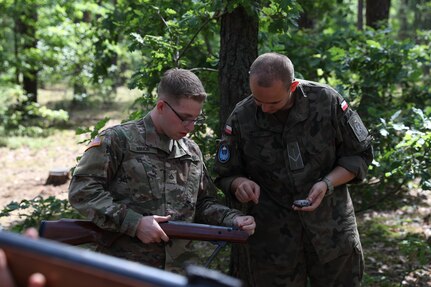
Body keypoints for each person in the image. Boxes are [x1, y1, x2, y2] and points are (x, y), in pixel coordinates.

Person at [68, 68, 256, 272]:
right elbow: (82, 191)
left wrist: (232, 219)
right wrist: (135, 223)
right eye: (185, 118)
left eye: (195, 119)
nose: (190, 126)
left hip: (177, 270)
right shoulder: (118, 141)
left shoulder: (191, 151)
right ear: (161, 106)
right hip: (125, 269)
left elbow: (202, 203)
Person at [214, 52, 373, 286]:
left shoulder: (326, 102)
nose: (265, 109)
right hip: (273, 241)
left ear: (293, 86)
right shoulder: (242, 116)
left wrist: (327, 184)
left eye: (273, 102)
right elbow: (225, 173)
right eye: (259, 101)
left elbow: (359, 154)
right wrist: (239, 184)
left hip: (332, 232)